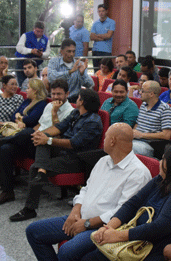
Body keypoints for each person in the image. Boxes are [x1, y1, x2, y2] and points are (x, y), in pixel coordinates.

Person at [26, 123, 152, 261]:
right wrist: (75, 211)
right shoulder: (103, 161)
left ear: (113, 140)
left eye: (106, 136)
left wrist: (87, 224)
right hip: (80, 217)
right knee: (34, 232)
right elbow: (85, 189)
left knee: (67, 251)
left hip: (103, 228)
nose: (103, 139)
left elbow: (124, 212)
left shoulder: (138, 172)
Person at [9, 89, 103, 221]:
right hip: (63, 151)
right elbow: (59, 127)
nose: (76, 100)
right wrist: (43, 135)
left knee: (35, 166)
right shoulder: (76, 112)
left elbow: (73, 143)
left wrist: (47, 140)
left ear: (81, 102)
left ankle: (30, 209)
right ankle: (42, 172)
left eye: (78, 98)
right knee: (42, 141)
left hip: (77, 158)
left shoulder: (93, 122)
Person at [0, 79, 72, 205]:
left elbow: (59, 134)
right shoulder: (49, 105)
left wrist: (54, 114)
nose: (55, 97)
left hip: (49, 146)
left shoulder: (70, 111)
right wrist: (32, 134)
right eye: (53, 94)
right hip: (35, 140)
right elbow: (40, 124)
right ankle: (7, 192)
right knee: (6, 149)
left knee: (25, 134)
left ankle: (0, 140)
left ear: (67, 94)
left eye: (59, 94)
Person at [132, 81, 171, 157]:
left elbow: (166, 135)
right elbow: (137, 124)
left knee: (125, 148)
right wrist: (132, 132)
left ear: (151, 94)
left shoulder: (165, 109)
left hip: (150, 144)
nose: (140, 93)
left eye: (142, 91)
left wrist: (141, 135)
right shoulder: (143, 105)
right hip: (136, 140)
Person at [47, 38, 94, 102]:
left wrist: (82, 74)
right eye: (69, 51)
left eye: (73, 51)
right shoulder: (54, 62)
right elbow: (51, 77)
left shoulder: (80, 65)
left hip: (74, 100)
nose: (71, 54)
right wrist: (69, 72)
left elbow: (90, 84)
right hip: (57, 99)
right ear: (61, 51)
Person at [15, 21, 50, 86]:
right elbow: (19, 48)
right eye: (37, 31)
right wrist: (31, 51)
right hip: (22, 64)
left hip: (35, 64)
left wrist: (42, 54)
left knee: (36, 85)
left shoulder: (46, 39)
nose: (39, 33)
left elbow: (47, 53)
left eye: (41, 32)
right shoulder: (25, 35)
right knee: (22, 84)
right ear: (33, 29)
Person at [90, 4, 115, 69]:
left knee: (106, 70)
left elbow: (109, 35)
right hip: (95, 50)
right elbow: (92, 37)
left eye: (103, 11)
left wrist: (97, 35)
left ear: (106, 11)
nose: (101, 13)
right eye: (99, 11)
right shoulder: (95, 23)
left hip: (106, 51)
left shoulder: (111, 22)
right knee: (96, 71)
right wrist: (103, 37)